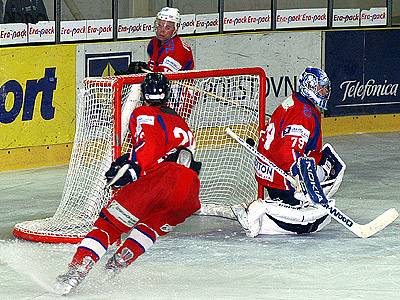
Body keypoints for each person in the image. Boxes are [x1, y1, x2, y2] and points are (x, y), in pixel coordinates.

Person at [55, 73, 201, 295]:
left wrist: (134, 167)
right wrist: (129, 160)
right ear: (168, 95)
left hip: (161, 180)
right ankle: (116, 265)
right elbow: (174, 154)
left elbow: (149, 146)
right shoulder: (182, 123)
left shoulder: (143, 113)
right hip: (188, 190)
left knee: (108, 226)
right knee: (149, 227)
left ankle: (76, 271)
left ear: (143, 95)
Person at [232, 67, 346, 237]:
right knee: (308, 225)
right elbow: (288, 151)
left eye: (325, 88)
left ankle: (273, 206)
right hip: (283, 179)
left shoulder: (295, 101)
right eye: (320, 88)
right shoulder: (304, 113)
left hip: (270, 173)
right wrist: (299, 177)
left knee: (321, 214)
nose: (324, 92)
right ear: (309, 86)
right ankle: (260, 210)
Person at [117, 7, 194, 75]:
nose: (162, 31)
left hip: (179, 90)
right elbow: (155, 70)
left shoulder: (178, 50)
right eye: (159, 25)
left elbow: (162, 77)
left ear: (175, 29)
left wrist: (140, 73)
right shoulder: (154, 43)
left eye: (167, 28)